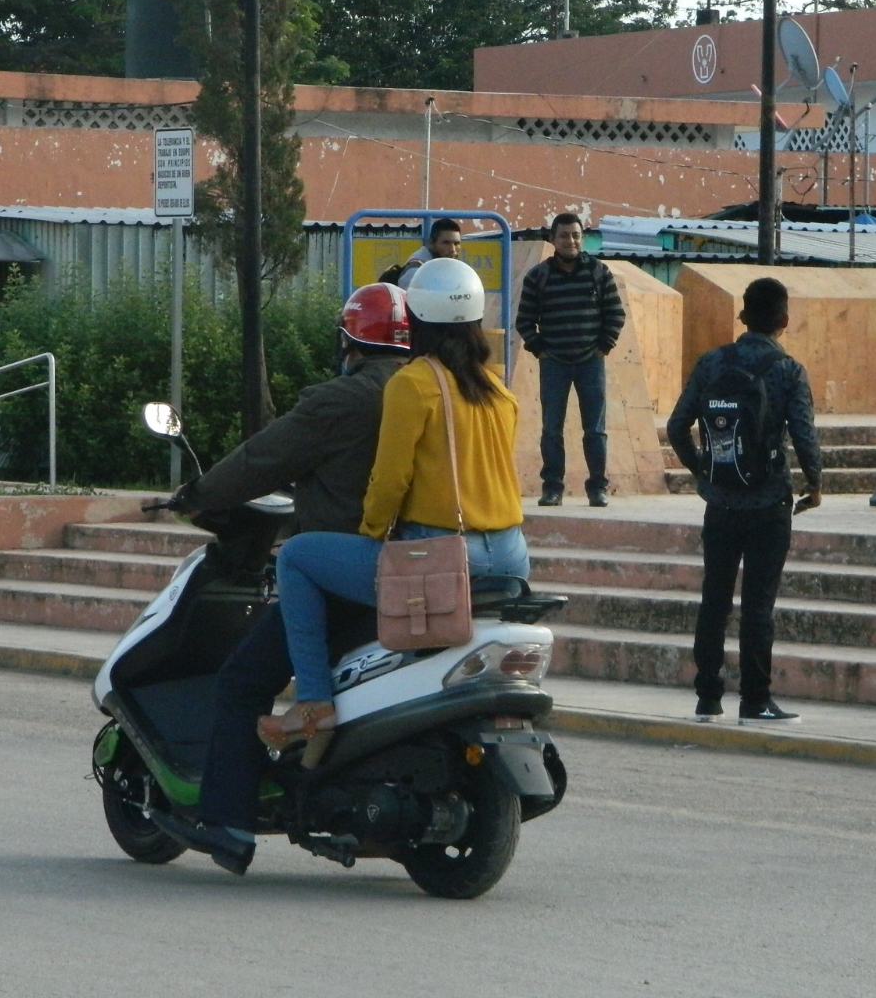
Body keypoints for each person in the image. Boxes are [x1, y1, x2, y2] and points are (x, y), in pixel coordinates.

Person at [153, 282, 411, 875]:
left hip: (344, 576)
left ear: (350, 341)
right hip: (425, 567)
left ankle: (228, 824)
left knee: (243, 680)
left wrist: (196, 495)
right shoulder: (433, 391)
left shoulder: (342, 400)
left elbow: (263, 458)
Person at [268, 257, 529, 764]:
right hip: (513, 556)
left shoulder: (412, 384)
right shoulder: (498, 388)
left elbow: (389, 481)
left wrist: (373, 534)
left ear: (417, 321)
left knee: (298, 556)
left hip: (443, 555)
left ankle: (313, 703)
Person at [667, 277, 822, 725]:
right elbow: (804, 434)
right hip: (770, 501)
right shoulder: (789, 370)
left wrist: (704, 472)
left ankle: (707, 698)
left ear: (742, 317)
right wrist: (814, 483)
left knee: (714, 598)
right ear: (784, 321)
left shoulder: (712, 363)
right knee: (758, 604)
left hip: (721, 502)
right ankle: (755, 700)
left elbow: (678, 426)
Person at [515, 211, 625, 507]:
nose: (570, 241)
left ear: (582, 238)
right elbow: (524, 320)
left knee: (595, 430)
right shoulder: (538, 276)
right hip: (554, 364)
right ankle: (552, 488)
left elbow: (615, 314)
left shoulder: (599, 272)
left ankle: (597, 488)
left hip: (591, 362)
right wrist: (540, 349)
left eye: (576, 235)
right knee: (552, 429)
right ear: (552, 239)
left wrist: (604, 346)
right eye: (564, 235)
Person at [380, 217, 462, 286]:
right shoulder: (415, 272)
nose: (453, 249)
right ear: (431, 243)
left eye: (456, 243)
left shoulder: (451, 268)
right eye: (446, 243)